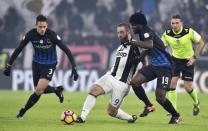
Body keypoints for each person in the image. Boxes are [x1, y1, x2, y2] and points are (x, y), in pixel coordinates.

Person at [3, 15, 78, 119]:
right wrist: (9, 64)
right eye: (40, 27)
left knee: (38, 90)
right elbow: (19, 49)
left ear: (47, 26)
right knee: (39, 90)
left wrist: (74, 67)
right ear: (36, 25)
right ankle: (56, 90)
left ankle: (23, 111)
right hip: (36, 64)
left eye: (44, 26)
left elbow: (66, 50)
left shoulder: (51, 35)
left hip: (50, 64)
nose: (42, 29)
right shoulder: (31, 34)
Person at [75, 23, 144, 123]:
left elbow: (144, 55)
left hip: (122, 84)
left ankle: (130, 118)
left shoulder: (136, 46)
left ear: (128, 32)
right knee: (94, 90)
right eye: (118, 32)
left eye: (122, 32)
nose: (119, 35)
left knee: (111, 111)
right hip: (111, 77)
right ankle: (82, 117)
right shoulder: (120, 47)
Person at [129, 12, 181, 124]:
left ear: (139, 24)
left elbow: (149, 45)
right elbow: (149, 49)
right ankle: (148, 105)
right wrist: (140, 58)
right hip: (153, 66)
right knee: (134, 82)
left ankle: (176, 116)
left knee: (160, 96)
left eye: (133, 25)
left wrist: (132, 42)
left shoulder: (146, 32)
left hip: (165, 67)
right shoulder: (143, 33)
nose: (132, 27)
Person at [162, 14, 204, 116]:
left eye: (177, 23)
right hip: (175, 60)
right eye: (173, 23)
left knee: (187, 87)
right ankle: (173, 110)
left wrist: (194, 57)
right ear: (170, 24)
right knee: (172, 84)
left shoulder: (189, 32)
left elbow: (201, 43)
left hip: (188, 61)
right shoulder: (167, 34)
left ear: (181, 23)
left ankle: (196, 102)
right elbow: (161, 46)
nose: (175, 25)